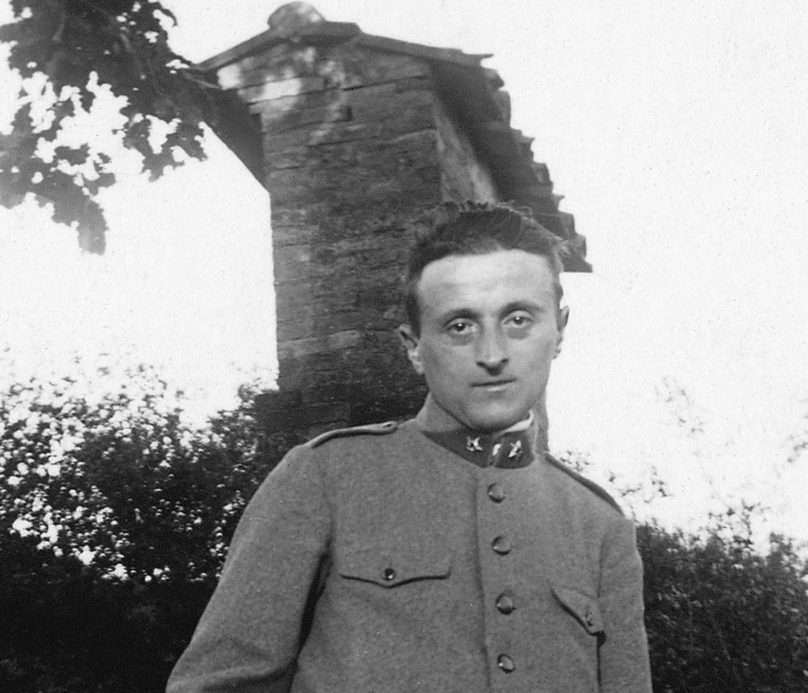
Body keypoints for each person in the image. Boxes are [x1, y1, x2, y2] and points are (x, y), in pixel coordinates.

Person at [166, 201, 652, 692]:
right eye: (460, 326)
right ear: (414, 346)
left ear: (560, 330)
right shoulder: (326, 476)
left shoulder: (600, 526)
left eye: (518, 319)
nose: (492, 354)